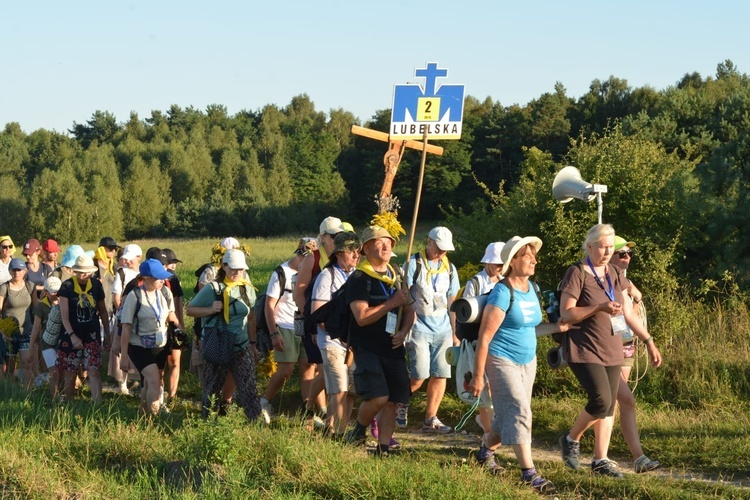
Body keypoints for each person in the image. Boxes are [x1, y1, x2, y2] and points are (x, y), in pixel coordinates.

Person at [558, 223, 662, 477]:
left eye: (610, 247)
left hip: (613, 347)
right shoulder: (577, 272)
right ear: (590, 246)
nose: (606, 252)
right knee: (601, 399)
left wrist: (648, 341)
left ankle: (600, 461)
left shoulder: (614, 273)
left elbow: (626, 312)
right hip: (585, 347)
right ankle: (571, 439)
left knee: (608, 407)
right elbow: (567, 313)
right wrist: (599, 308)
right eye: (602, 247)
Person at [468, 236, 565, 493]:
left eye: (534, 255)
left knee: (507, 417)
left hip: (527, 361)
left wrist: (557, 326)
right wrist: (479, 376)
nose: (534, 260)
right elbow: (484, 338)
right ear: (513, 261)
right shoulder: (502, 292)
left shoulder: (532, 288)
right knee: (520, 411)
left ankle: (485, 452)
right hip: (501, 360)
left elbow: (531, 328)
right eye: (528, 256)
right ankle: (529, 473)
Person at [343, 226, 415, 454]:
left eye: (388, 241)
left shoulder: (397, 274)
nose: (385, 245)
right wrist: (391, 303)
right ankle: (358, 430)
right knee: (378, 396)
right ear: (365, 248)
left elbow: (410, 309)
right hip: (367, 347)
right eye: (378, 241)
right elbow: (362, 317)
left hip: (393, 346)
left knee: (394, 400)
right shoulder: (359, 278)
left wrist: (403, 331)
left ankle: (384, 448)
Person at [186, 249, 263, 421]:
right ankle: (209, 423)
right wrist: (209, 309)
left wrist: (252, 344)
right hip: (217, 344)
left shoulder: (246, 288)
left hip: (241, 346)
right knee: (212, 388)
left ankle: (257, 424)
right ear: (224, 266)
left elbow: (251, 316)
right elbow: (189, 310)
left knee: (249, 388)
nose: (237, 273)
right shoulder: (213, 288)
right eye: (233, 269)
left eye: (241, 269)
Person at [608, 236, 662, 473]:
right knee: (620, 400)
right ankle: (577, 441)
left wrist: (636, 296)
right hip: (608, 345)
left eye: (629, 253)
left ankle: (603, 453)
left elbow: (633, 316)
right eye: (621, 253)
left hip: (626, 342)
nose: (626, 257)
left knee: (616, 401)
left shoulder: (626, 282)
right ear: (608, 254)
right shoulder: (603, 280)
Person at [401, 226, 460, 433]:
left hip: (443, 328)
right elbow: (403, 293)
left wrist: (454, 332)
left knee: (441, 374)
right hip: (418, 327)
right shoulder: (413, 264)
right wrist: (409, 314)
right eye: (439, 247)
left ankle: (430, 419)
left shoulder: (450, 268)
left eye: (446, 249)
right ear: (429, 242)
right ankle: (400, 402)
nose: (443, 252)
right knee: (419, 375)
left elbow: (452, 301)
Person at [294, 217, 346, 421]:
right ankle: (319, 412)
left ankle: (314, 408)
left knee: (331, 369)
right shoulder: (313, 258)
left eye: (339, 235)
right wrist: (313, 323)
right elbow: (299, 293)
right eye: (333, 235)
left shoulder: (344, 256)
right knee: (326, 367)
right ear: (323, 237)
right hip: (315, 321)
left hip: (338, 322)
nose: (336, 239)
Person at [310, 232, 360, 437]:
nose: (357, 255)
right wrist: (339, 334)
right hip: (332, 342)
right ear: (339, 253)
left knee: (350, 392)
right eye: (352, 251)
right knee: (339, 388)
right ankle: (336, 435)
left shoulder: (357, 275)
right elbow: (317, 312)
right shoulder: (327, 276)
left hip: (354, 343)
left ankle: (336, 431)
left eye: (358, 251)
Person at [259, 239, 314, 421]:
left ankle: (308, 411)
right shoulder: (281, 273)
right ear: (299, 254)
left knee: (308, 368)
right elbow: (269, 305)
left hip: (304, 325)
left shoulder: (312, 272)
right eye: (306, 257)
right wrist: (273, 333)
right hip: (284, 325)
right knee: (286, 370)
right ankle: (265, 401)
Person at [118, 259, 181, 415]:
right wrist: (124, 356)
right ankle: (156, 417)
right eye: (158, 278)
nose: (162, 281)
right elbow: (125, 327)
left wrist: (180, 331)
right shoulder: (135, 296)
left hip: (159, 344)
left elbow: (169, 316)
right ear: (146, 278)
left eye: (163, 277)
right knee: (153, 380)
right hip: (138, 345)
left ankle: (144, 415)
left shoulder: (164, 293)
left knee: (149, 383)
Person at [461, 241, 505, 437]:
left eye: (502, 264)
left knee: (498, 385)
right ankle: (488, 430)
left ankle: (493, 423)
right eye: (496, 263)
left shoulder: (505, 282)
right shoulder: (475, 283)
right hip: (478, 341)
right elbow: (466, 315)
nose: (499, 267)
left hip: (500, 341)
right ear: (487, 263)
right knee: (483, 385)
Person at [57, 255, 111, 403]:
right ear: (75, 271)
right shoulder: (66, 286)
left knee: (93, 370)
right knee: (70, 370)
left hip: (92, 334)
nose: (84, 274)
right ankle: (68, 401)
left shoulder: (96, 285)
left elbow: (103, 311)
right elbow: (64, 316)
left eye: (87, 271)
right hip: (71, 334)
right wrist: (72, 336)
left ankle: (98, 403)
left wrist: (107, 334)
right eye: (80, 271)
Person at [109, 243, 142, 395]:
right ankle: (122, 382)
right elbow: (117, 296)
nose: (128, 262)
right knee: (121, 349)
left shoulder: (144, 273)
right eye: (126, 259)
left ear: (139, 258)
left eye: (131, 259)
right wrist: (124, 313)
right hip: (123, 316)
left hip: (140, 317)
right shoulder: (122, 273)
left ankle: (136, 379)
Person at [0, 258, 38, 384]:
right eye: (14, 270)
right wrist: (2, 332)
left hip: (26, 331)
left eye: (19, 270)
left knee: (27, 364)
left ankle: (29, 394)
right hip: (9, 334)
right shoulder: (4, 288)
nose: (16, 272)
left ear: (25, 271)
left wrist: (37, 329)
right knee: (10, 367)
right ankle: (10, 393)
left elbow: (36, 309)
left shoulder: (30, 286)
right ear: (10, 271)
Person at [29, 277, 63, 395]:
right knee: (54, 372)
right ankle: (54, 400)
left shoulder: (66, 303)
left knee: (64, 372)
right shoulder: (41, 306)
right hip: (47, 343)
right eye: (52, 291)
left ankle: (66, 397)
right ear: (46, 292)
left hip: (63, 342)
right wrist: (30, 348)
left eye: (57, 291)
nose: (55, 294)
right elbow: (36, 328)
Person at [162, 248, 186, 401]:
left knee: (174, 362)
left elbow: (178, 304)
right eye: (171, 263)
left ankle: (172, 395)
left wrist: (181, 326)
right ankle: (158, 393)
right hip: (157, 325)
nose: (172, 266)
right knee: (160, 364)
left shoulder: (174, 279)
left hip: (173, 324)